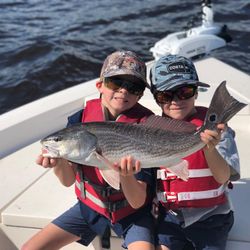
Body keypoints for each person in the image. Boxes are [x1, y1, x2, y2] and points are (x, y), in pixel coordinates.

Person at [21, 50, 155, 250]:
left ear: (141, 94)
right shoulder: (77, 122)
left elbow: (136, 202)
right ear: (100, 85)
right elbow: (67, 181)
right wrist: (58, 162)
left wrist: (125, 176)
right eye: (115, 82)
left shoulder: (146, 127)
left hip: (133, 214)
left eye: (133, 87)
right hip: (90, 208)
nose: (123, 91)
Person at [149, 55, 240, 250]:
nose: (175, 101)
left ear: (196, 92)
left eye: (184, 92)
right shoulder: (150, 130)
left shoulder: (217, 127)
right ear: (156, 98)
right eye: (165, 95)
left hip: (211, 218)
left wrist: (209, 148)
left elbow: (224, 176)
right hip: (170, 218)